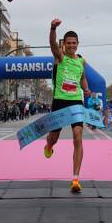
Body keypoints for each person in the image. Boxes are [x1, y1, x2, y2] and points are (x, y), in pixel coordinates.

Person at [44, 18, 90, 193]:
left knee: (78, 136)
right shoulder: (60, 57)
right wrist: (53, 28)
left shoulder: (81, 61)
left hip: (75, 101)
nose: (71, 45)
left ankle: (75, 179)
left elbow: (82, 77)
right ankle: (49, 146)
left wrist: (86, 89)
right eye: (68, 43)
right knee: (53, 138)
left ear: (78, 44)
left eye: (74, 43)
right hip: (60, 100)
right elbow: (51, 43)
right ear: (64, 44)